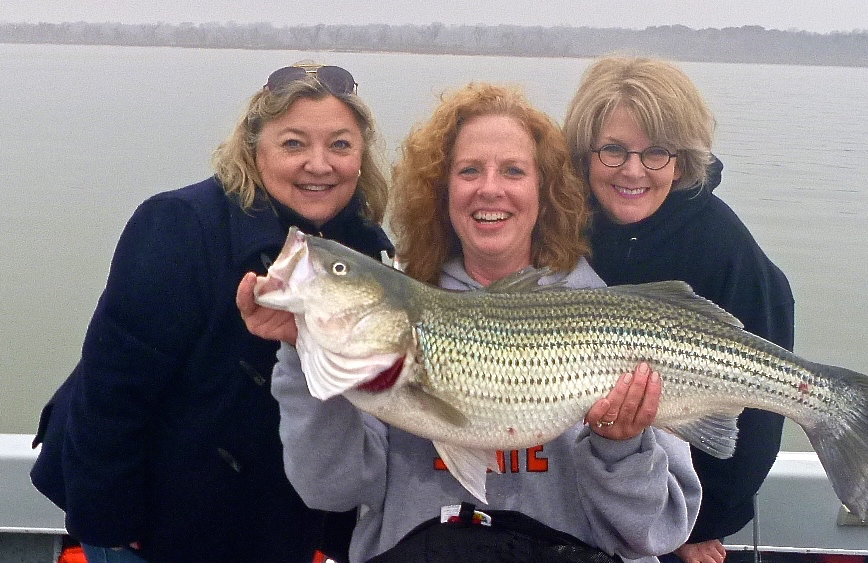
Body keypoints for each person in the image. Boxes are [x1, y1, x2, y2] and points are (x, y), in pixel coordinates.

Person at [237, 82, 702, 563]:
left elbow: (654, 532)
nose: (490, 188)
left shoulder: (608, 318)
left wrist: (619, 448)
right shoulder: (394, 314)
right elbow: (329, 490)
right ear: (441, 192)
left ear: (545, 192)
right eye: (469, 171)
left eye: (514, 171)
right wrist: (301, 350)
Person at [29, 62, 394, 563]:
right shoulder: (181, 225)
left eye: (339, 144)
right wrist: (112, 525)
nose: (318, 163)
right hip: (156, 514)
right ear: (253, 147)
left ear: (360, 155)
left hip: (279, 516)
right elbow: (112, 391)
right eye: (293, 144)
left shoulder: (368, 251)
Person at [563, 56, 795, 563]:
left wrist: (698, 524)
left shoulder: (724, 248)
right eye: (613, 150)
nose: (632, 171)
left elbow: (756, 418)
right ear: (585, 153)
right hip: (565, 480)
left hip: (665, 497)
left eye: (657, 153)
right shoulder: (560, 220)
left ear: (682, 159)